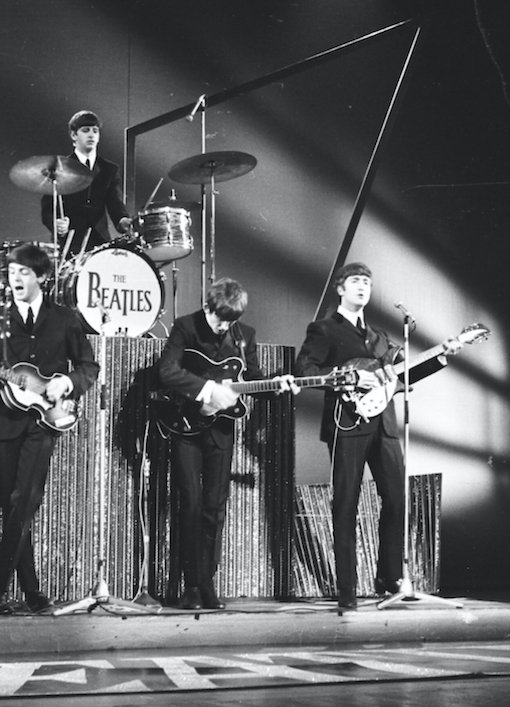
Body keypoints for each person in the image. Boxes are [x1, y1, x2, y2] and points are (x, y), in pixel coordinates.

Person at [0, 242, 100, 614]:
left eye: (24, 273)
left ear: (42, 277)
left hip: (44, 421)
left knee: (24, 499)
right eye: (11, 275)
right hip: (1, 421)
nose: (16, 280)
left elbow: (89, 367)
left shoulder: (65, 318)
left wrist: (68, 383)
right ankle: (33, 592)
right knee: (15, 504)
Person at [294, 262, 460, 612]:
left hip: (384, 424)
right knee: (346, 504)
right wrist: (349, 377)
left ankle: (389, 579)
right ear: (340, 288)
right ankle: (347, 590)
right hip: (347, 423)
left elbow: (401, 374)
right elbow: (305, 370)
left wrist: (441, 357)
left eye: (367, 283)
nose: (362, 287)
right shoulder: (324, 329)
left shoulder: (380, 337)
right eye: (355, 281)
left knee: (397, 500)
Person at [156, 278, 299, 610]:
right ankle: (190, 584)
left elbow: (253, 377)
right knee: (190, 502)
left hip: (221, 428)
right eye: (219, 320)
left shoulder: (242, 334)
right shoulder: (185, 327)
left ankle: (207, 582)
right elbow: (167, 372)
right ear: (207, 307)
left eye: (230, 321)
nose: (224, 327)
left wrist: (276, 384)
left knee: (214, 508)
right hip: (186, 425)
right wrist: (206, 390)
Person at [41, 109, 133, 256]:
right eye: (85, 130)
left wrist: (122, 220)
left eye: (95, 131)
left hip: (100, 242)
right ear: (73, 135)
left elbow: (115, 202)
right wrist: (56, 224)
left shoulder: (109, 169)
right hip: (69, 244)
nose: (91, 134)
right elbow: (47, 209)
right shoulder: (58, 168)